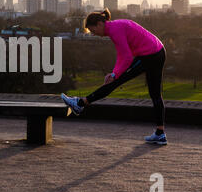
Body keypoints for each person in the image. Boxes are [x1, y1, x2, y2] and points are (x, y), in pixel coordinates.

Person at [61, 9, 168, 145]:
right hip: (158, 51)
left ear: (100, 24)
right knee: (155, 94)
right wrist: (114, 72)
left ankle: (80, 103)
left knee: (115, 82)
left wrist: (115, 74)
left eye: (93, 31)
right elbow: (122, 55)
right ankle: (160, 133)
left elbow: (127, 57)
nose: (95, 35)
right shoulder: (115, 27)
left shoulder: (115, 30)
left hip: (149, 55)